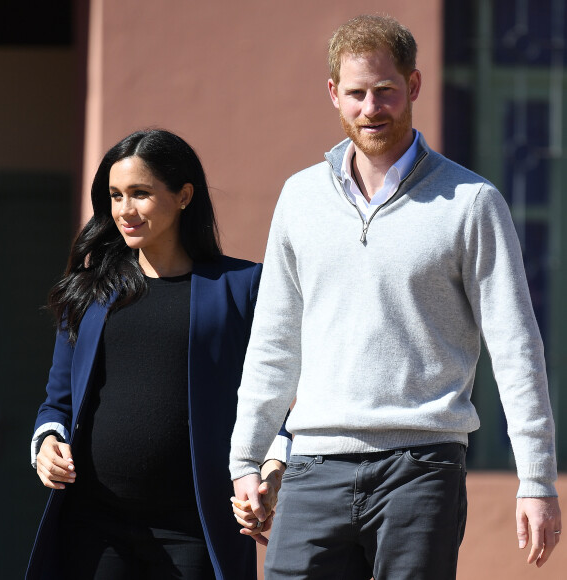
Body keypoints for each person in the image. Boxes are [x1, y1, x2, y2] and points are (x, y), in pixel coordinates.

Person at [229, 14, 562, 580]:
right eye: (356, 93)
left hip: (421, 468)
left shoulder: (471, 202)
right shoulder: (300, 198)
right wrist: (246, 458)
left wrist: (535, 479)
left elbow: (515, 348)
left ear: (413, 85)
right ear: (333, 93)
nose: (370, 108)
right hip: (313, 467)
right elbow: (273, 342)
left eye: (384, 90)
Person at [27, 129, 290, 580]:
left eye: (140, 194)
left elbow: (274, 396)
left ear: (184, 195)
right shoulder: (88, 293)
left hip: (194, 527)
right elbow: (57, 402)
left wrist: (271, 467)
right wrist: (47, 445)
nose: (124, 210)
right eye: (115, 196)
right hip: (95, 526)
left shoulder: (243, 287)